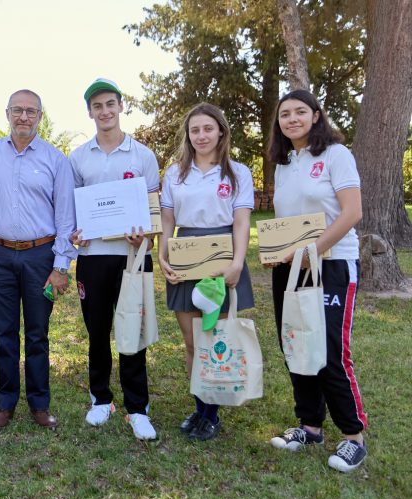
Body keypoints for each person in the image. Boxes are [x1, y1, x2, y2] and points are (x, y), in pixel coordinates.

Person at [267, 89, 367, 473]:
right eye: (285, 114)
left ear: (316, 115)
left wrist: (312, 251)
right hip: (290, 267)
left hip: (332, 263)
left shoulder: (336, 155)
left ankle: (353, 437)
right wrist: (280, 252)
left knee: (328, 350)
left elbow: (352, 212)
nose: (291, 119)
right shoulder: (284, 163)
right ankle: (310, 426)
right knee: (295, 343)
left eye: (299, 112)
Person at [0, 89, 76, 431]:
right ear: (7, 113)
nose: (23, 116)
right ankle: (5, 404)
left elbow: (66, 218)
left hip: (40, 256)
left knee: (37, 334)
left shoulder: (55, 160)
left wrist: (60, 266)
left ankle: (39, 404)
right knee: (4, 333)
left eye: (30, 111)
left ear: (40, 116)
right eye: (17, 110)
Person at [68, 78, 160, 440]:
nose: (104, 111)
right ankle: (101, 399)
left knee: (132, 331)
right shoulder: (78, 157)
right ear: (89, 112)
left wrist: (146, 238)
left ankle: (137, 408)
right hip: (92, 258)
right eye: (97, 106)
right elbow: (73, 209)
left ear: (121, 106)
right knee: (97, 331)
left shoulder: (143, 156)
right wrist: (75, 232)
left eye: (110, 104)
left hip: (131, 257)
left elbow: (153, 210)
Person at [158, 103, 255, 441]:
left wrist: (237, 262)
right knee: (192, 342)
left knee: (215, 339)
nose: (201, 136)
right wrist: (162, 254)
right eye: (195, 130)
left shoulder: (237, 172)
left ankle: (212, 416)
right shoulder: (175, 173)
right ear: (188, 135)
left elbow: (241, 222)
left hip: (222, 254)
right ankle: (200, 408)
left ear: (221, 131)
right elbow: (167, 220)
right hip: (186, 254)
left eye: (208, 129)